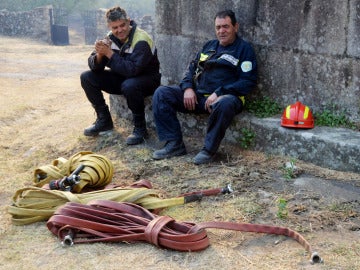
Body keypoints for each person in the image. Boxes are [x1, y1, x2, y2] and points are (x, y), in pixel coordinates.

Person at [152, 10, 257, 165]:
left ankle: (208, 151)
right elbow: (191, 68)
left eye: (226, 27)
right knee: (162, 93)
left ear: (236, 27)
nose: (221, 31)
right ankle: (174, 144)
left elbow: (248, 82)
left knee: (224, 103)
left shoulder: (244, 49)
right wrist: (188, 88)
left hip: (225, 99)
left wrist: (220, 92)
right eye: (218, 27)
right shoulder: (209, 46)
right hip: (199, 97)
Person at [80, 6, 161, 145]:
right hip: (123, 77)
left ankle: (140, 129)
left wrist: (109, 53)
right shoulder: (110, 38)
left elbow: (132, 70)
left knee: (129, 85)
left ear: (128, 21)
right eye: (115, 27)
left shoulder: (141, 39)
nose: (119, 30)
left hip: (148, 79)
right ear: (110, 27)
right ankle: (104, 120)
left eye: (122, 25)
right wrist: (100, 53)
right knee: (86, 77)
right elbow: (94, 67)